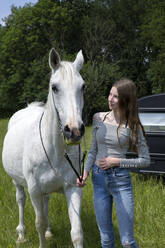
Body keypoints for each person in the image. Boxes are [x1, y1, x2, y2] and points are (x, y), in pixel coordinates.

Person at [77, 79, 150, 248]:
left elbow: (145, 160)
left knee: (127, 241)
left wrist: (117, 161)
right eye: (110, 94)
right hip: (98, 180)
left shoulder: (133, 125)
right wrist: (85, 173)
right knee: (106, 238)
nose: (110, 99)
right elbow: (93, 150)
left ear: (125, 99)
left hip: (121, 181)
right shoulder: (98, 118)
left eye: (115, 96)